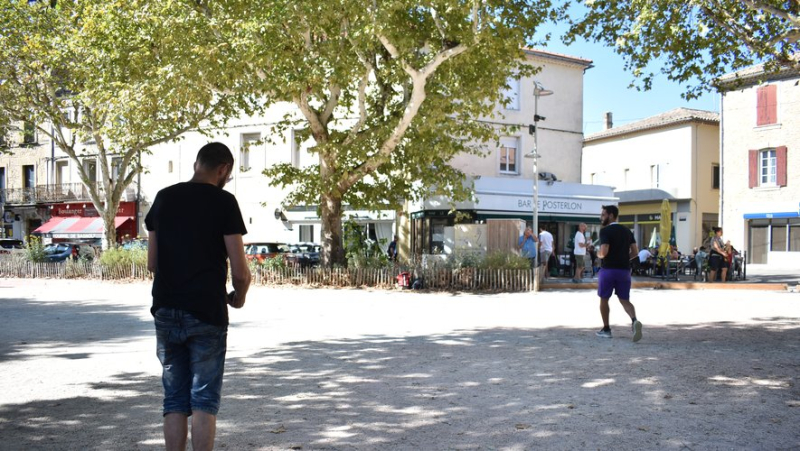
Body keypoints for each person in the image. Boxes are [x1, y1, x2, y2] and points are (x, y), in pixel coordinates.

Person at [145, 142, 251, 451]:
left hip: (165, 308)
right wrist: (238, 296)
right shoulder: (224, 202)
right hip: (206, 311)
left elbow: (152, 263)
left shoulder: (163, 198)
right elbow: (241, 272)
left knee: (175, 399)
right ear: (223, 170)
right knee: (204, 399)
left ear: (196, 164)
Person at [595, 205, 642, 342]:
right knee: (624, 300)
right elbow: (635, 252)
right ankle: (634, 321)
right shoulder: (627, 231)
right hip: (624, 271)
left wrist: (597, 254)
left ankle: (606, 329)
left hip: (608, 270)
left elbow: (604, 252)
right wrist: (623, 258)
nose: (601, 217)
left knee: (604, 299)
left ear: (610, 215)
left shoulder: (605, 231)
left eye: (603, 215)